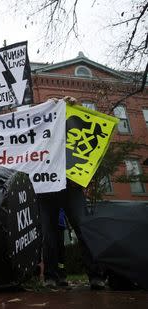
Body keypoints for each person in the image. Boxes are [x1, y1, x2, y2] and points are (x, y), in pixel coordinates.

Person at [39, 97, 107, 290]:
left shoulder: (71, 130)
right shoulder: (40, 132)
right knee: (49, 235)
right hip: (46, 190)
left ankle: (96, 276)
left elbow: (85, 132)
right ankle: (51, 277)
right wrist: (47, 105)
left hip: (72, 187)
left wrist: (73, 107)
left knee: (84, 229)